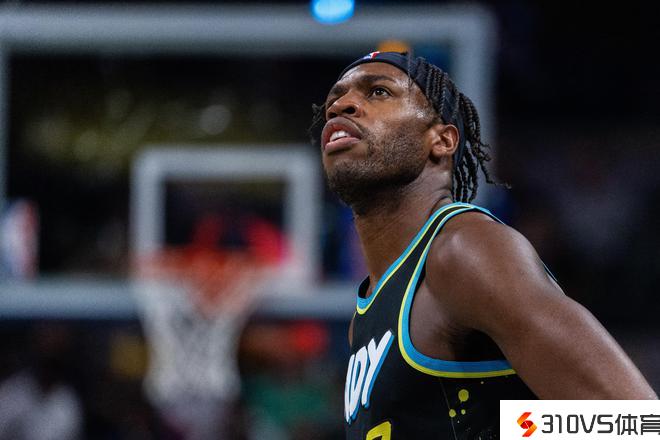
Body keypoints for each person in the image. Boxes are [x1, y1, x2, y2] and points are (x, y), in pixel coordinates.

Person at [312, 52, 657, 439]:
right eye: (334, 100)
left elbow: (637, 421)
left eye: (379, 92)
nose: (341, 105)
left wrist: (514, 429)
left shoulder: (465, 251)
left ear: (442, 140)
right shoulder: (367, 314)